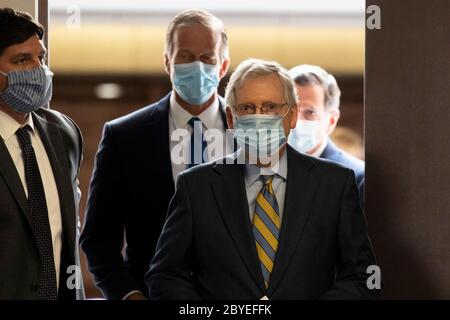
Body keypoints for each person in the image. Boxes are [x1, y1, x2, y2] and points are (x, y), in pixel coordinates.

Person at [146, 59, 378, 299]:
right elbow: (165, 275)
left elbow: (362, 277)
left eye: (270, 107)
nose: (259, 117)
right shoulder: (197, 187)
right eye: (247, 108)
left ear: (292, 116)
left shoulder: (335, 185)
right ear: (231, 118)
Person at [80, 9, 232, 300]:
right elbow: (98, 239)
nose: (197, 66)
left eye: (207, 57)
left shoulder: (249, 135)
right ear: (167, 62)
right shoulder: (124, 136)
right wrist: (130, 295)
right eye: (185, 56)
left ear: (223, 66)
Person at [0, 8, 84, 300]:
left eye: (41, 58)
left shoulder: (64, 133)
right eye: (22, 60)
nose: (39, 70)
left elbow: (68, 235)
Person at [287, 65, 365, 203]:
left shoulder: (356, 178)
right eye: (289, 111)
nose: (296, 122)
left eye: (310, 112)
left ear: (331, 121)